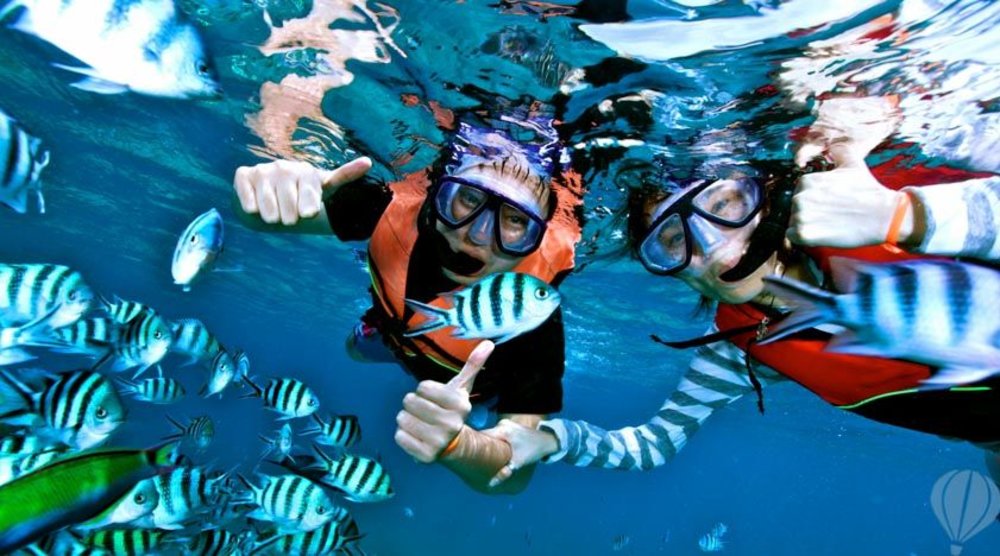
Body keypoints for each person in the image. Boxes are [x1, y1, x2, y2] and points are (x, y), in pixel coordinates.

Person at [483, 106, 1000, 486]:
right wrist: (550, 441)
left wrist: (903, 216)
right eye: (670, 241)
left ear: (769, 198)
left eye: (725, 203)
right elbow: (654, 443)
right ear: (673, 273)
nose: (709, 246)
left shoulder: (884, 198)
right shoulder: (740, 343)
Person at [232, 119, 582, 493]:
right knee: (356, 350)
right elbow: (254, 216)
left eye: (515, 220)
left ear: (538, 235)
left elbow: (513, 477)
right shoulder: (382, 205)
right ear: (437, 192)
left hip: (470, 389)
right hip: (390, 331)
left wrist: (460, 445)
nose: (478, 235)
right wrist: (267, 193)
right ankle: (379, 336)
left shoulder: (532, 319)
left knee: (476, 418)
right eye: (467, 198)